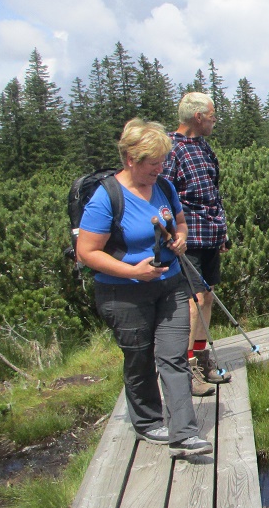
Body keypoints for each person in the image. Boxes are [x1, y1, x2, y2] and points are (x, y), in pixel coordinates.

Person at [76, 119, 212, 457]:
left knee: (172, 355)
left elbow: (178, 224)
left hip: (169, 285)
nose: (159, 169)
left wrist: (180, 239)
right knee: (138, 358)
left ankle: (184, 433)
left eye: (161, 162)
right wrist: (132, 271)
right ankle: (149, 421)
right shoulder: (106, 197)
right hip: (122, 294)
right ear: (130, 159)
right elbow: (87, 252)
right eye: (153, 164)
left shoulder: (164, 187)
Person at [163, 92, 230, 396]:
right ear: (199, 117)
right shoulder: (171, 150)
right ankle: (187, 368)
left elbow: (212, 193)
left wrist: (222, 231)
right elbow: (161, 197)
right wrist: (171, 234)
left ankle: (203, 359)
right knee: (192, 303)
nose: (215, 120)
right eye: (213, 116)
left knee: (207, 298)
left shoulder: (202, 146)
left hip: (210, 235)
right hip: (187, 239)